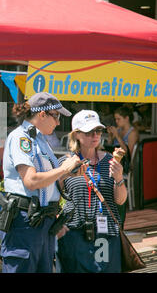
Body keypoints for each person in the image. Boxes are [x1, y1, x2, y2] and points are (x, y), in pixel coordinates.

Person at [0, 92, 82, 273]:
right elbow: (31, 180)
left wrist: (68, 175)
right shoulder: (21, 138)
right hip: (25, 220)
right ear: (42, 114)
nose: (58, 122)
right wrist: (64, 169)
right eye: (56, 116)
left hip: (43, 220)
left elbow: (46, 181)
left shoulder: (40, 140)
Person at [57, 110, 127, 273]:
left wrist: (118, 178)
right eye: (89, 132)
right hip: (74, 231)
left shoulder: (110, 160)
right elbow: (53, 197)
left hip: (106, 233)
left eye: (98, 131)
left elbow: (120, 200)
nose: (95, 135)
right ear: (76, 135)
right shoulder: (65, 162)